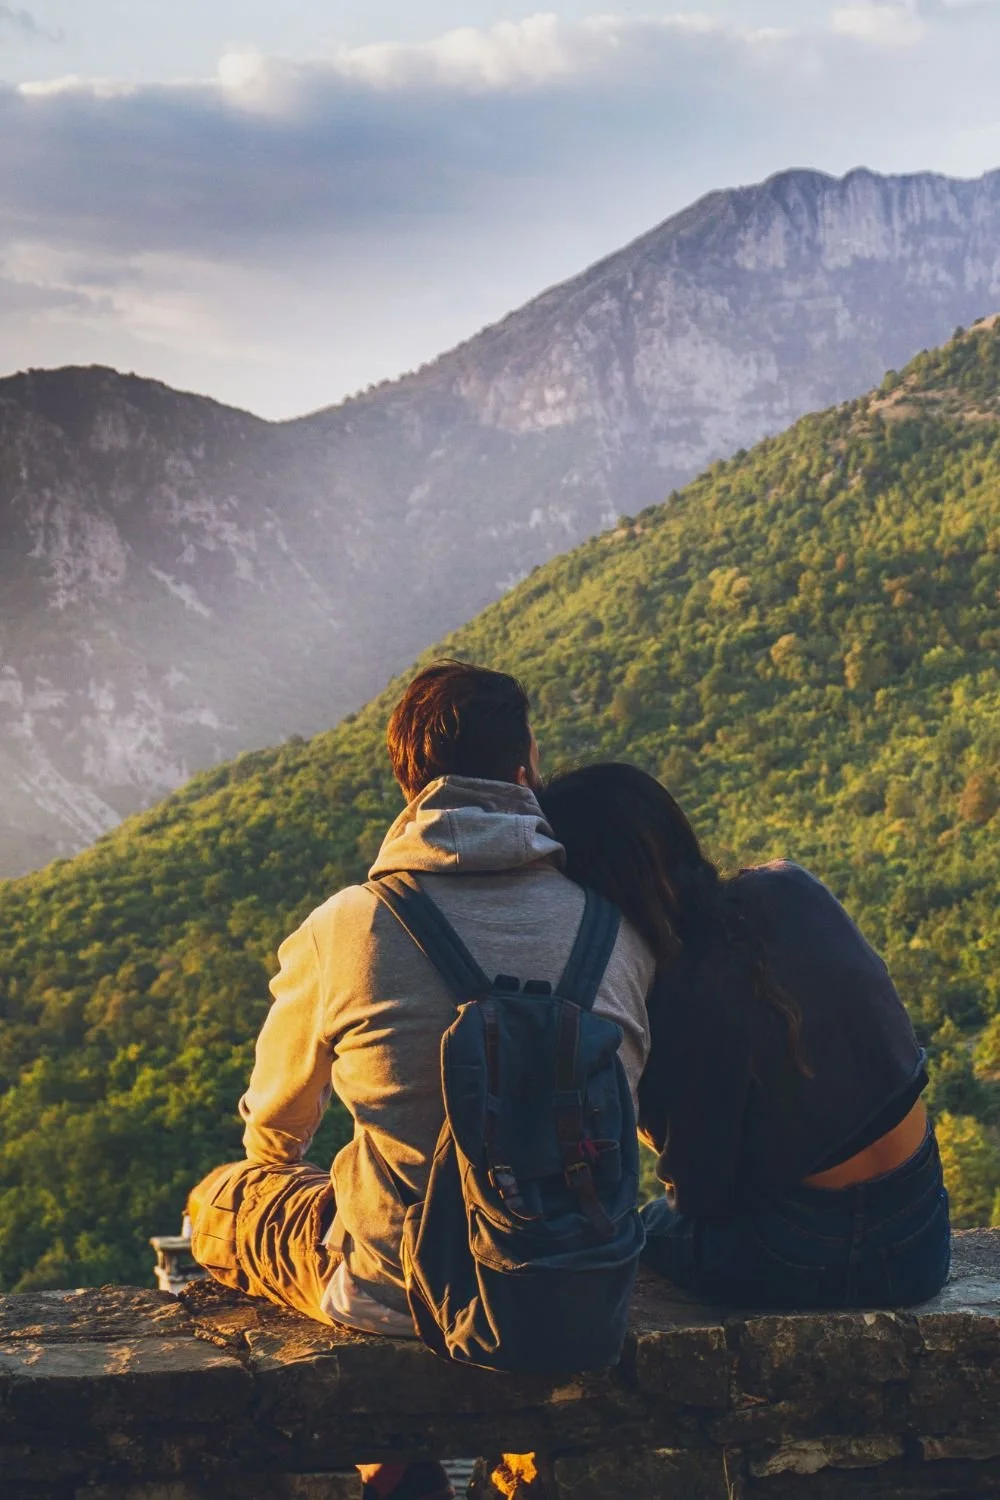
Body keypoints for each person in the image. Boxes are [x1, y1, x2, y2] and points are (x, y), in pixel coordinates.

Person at [186, 665, 655, 1500]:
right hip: (571, 1278)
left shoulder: (347, 925)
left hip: (390, 1290)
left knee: (220, 1197)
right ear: (526, 772)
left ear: (408, 785)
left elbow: (276, 1127)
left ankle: (392, 1471)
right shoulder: (613, 928)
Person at [536, 762, 950, 1309]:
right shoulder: (790, 886)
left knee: (640, 1229)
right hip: (924, 1233)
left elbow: (702, 1198)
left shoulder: (675, 991)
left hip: (803, 1253)